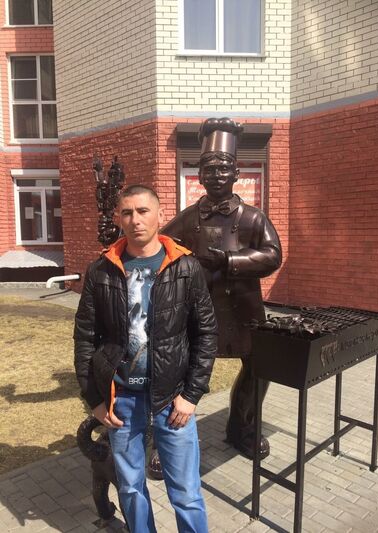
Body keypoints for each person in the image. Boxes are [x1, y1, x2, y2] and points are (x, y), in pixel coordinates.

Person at [74, 184, 217, 533]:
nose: (135, 220)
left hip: (173, 399)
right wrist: (95, 399)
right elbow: (85, 338)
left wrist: (191, 395)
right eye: (127, 212)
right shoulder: (101, 270)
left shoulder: (186, 268)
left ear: (160, 215)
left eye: (142, 211)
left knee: (186, 493)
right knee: (130, 488)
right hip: (122, 399)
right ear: (118, 218)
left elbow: (206, 334)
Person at [162, 117, 282, 459]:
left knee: (258, 369)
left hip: (244, 308)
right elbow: (160, 246)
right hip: (199, 308)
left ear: (236, 173)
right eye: (209, 170)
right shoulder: (188, 217)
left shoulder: (254, 217)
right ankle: (170, 439)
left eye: (223, 169)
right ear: (200, 175)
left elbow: (273, 255)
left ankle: (242, 428)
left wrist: (230, 261)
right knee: (181, 371)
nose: (217, 175)